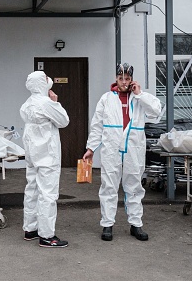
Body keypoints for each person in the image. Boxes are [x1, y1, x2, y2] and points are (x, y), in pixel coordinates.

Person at [83, 63, 161, 241]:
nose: (124, 82)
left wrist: (140, 94)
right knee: (109, 186)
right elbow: (97, 126)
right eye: (121, 78)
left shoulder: (140, 98)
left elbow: (156, 112)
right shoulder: (106, 99)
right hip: (111, 148)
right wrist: (90, 148)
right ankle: (107, 225)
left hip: (134, 148)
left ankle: (136, 224)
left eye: (127, 79)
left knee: (134, 186)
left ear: (132, 79)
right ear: (116, 78)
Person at [20, 70, 70, 248]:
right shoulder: (46, 103)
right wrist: (55, 103)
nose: (50, 79)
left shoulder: (27, 104)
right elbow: (64, 121)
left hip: (32, 153)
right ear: (42, 83)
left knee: (32, 189)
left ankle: (30, 228)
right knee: (48, 193)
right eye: (47, 78)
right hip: (47, 155)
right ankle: (47, 236)